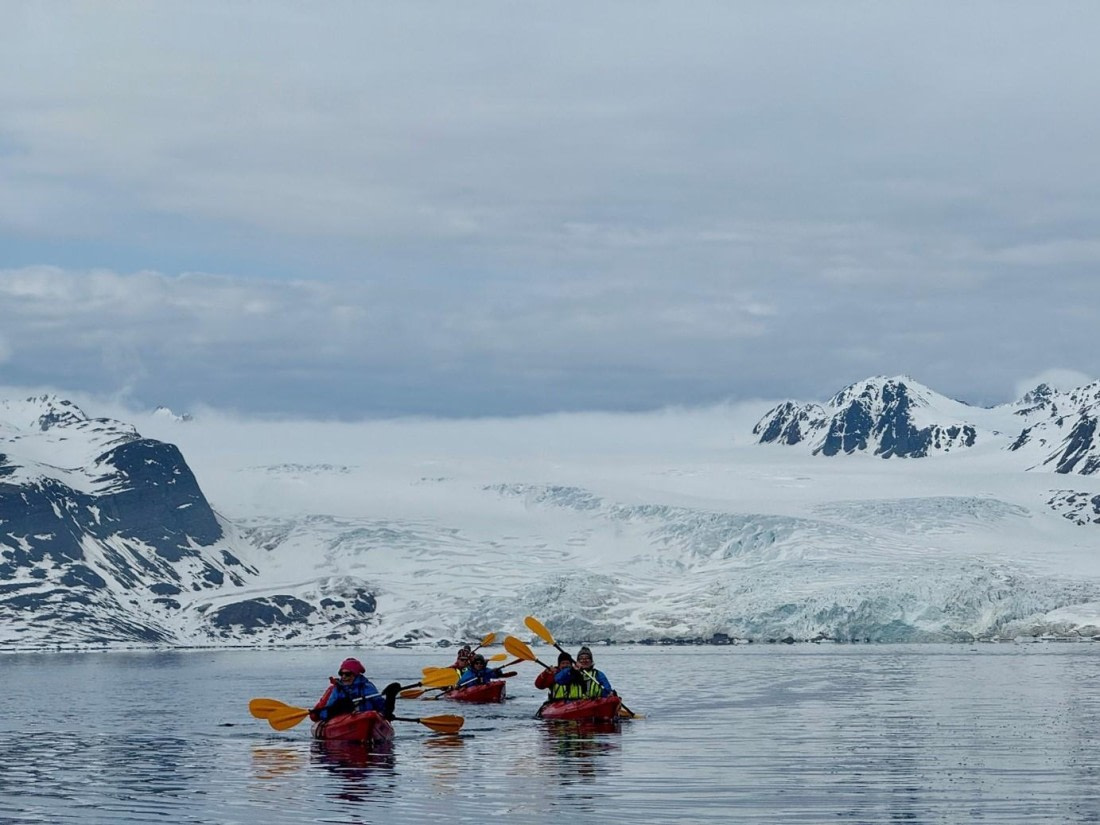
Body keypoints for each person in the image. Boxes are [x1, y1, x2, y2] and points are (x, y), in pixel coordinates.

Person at [310, 657, 401, 722]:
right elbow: (324, 714)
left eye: (348, 674)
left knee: (386, 707)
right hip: (344, 720)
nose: (344, 677)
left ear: (355, 674)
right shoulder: (338, 689)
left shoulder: (367, 687)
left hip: (366, 717)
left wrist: (390, 699)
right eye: (341, 674)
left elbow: (381, 707)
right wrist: (339, 708)